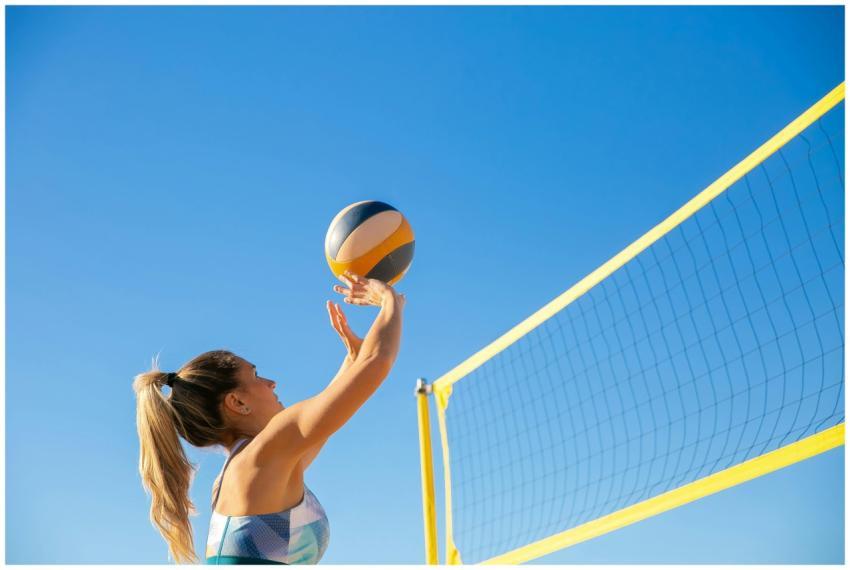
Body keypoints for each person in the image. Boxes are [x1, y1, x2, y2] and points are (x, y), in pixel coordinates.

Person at [132, 272, 405, 564]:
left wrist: (352, 360)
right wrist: (389, 302)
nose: (271, 383)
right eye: (256, 375)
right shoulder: (262, 456)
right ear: (237, 401)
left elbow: (326, 420)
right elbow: (378, 362)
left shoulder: (256, 464)